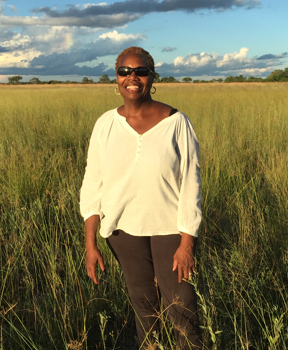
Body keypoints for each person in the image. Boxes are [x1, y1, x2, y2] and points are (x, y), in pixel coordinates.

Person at [80, 46, 203, 349]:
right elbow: (92, 183)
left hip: (170, 229)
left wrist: (187, 243)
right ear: (116, 78)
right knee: (144, 306)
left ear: (151, 76)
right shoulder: (105, 125)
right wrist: (90, 243)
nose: (132, 77)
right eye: (125, 71)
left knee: (182, 307)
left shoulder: (176, 122)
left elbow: (191, 183)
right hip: (123, 231)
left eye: (140, 71)